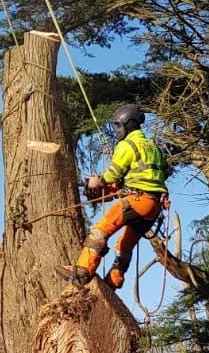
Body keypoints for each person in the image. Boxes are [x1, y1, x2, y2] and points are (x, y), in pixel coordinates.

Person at [57, 105, 169, 289]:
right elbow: (153, 174)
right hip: (153, 207)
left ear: (128, 124)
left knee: (100, 230)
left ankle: (82, 272)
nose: (117, 131)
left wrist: (97, 181)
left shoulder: (127, 145)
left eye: (119, 126)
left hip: (137, 201)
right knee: (125, 245)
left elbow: (112, 175)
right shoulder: (154, 148)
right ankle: (114, 280)